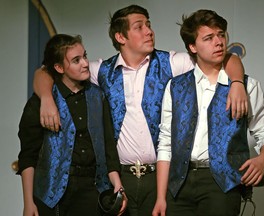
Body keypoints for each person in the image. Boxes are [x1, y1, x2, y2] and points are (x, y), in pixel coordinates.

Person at [33, 5, 248, 216]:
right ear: (120, 37)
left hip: (159, 178)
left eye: (149, 24)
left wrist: (237, 82)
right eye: (139, 27)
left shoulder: (171, 62)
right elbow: (45, 71)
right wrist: (46, 98)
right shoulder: (101, 70)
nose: (149, 31)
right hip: (119, 178)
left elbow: (225, 57)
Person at [152, 9, 264, 216]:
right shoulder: (175, 86)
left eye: (221, 34)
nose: (219, 42)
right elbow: (165, 142)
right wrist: (160, 197)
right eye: (209, 38)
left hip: (222, 184)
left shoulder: (247, 85)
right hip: (178, 184)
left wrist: (263, 158)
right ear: (192, 47)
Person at [17, 34, 126, 216]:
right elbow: (28, 155)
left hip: (92, 189)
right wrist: (28, 202)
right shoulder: (43, 100)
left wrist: (117, 184)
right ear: (59, 67)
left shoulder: (98, 96)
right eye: (76, 60)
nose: (85, 63)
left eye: (84, 56)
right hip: (52, 195)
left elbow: (108, 145)